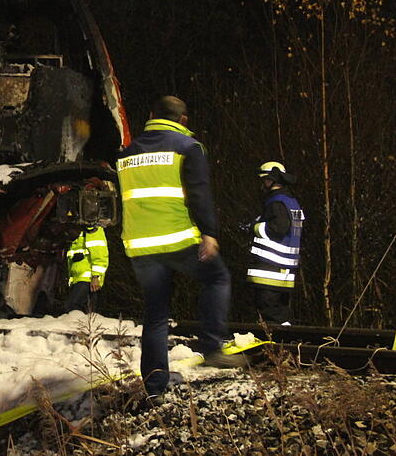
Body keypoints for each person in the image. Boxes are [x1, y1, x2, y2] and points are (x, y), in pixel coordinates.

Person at [116, 95, 244, 403]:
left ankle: (155, 387)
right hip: (178, 238)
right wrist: (209, 233)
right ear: (183, 120)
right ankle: (212, 347)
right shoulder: (188, 148)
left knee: (156, 312)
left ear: (150, 115)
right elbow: (199, 194)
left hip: (140, 244)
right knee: (217, 278)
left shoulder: (126, 153)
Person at [246, 161, 304, 325]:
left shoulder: (276, 202)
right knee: (279, 314)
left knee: (270, 314)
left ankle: (277, 345)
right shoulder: (290, 201)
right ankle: (283, 345)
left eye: (263, 180)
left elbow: (278, 228)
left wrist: (254, 227)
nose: (261, 185)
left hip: (270, 270)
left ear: (271, 180)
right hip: (283, 271)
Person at [64, 225, 109, 313]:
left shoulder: (92, 229)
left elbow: (100, 254)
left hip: (87, 279)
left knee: (72, 308)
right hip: (79, 279)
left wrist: (95, 276)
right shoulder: (77, 231)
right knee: (82, 310)